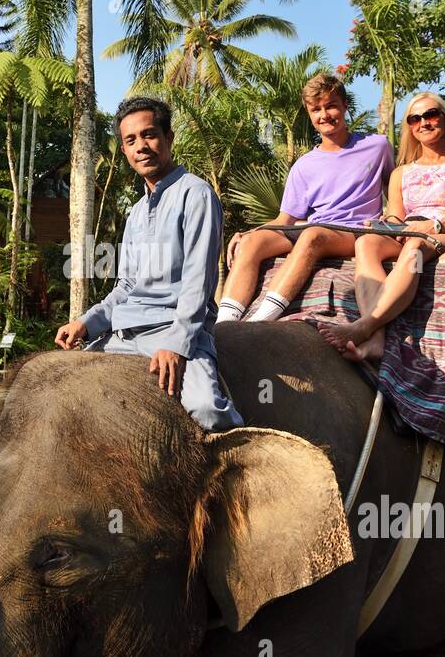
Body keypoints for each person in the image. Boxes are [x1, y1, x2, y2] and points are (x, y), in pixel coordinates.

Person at [55, 95, 243, 431]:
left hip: (174, 329)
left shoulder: (196, 194)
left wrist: (176, 344)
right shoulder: (136, 214)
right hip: (123, 336)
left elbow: (198, 282)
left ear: (168, 138)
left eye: (149, 135)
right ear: (125, 151)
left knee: (207, 410)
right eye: (131, 140)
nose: (141, 146)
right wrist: (85, 323)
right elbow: (126, 287)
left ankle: (248, 462)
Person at [316, 92, 445, 363]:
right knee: (366, 243)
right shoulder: (400, 173)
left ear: (444, 120)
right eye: (415, 118)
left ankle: (364, 325)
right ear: (409, 127)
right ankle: (376, 341)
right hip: (408, 233)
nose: (424, 123)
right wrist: (382, 225)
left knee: (415, 247)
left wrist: (436, 224)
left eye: (431, 115)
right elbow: (397, 217)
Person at [217, 75, 394, 324]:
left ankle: (260, 321)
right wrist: (248, 233)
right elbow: (285, 219)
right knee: (252, 243)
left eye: (331, 105)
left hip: (352, 231)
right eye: (316, 109)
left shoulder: (377, 146)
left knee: (313, 235)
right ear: (310, 114)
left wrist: (394, 218)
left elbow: (394, 189)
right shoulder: (304, 165)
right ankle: (224, 324)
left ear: (345, 106)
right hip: (313, 228)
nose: (324, 115)